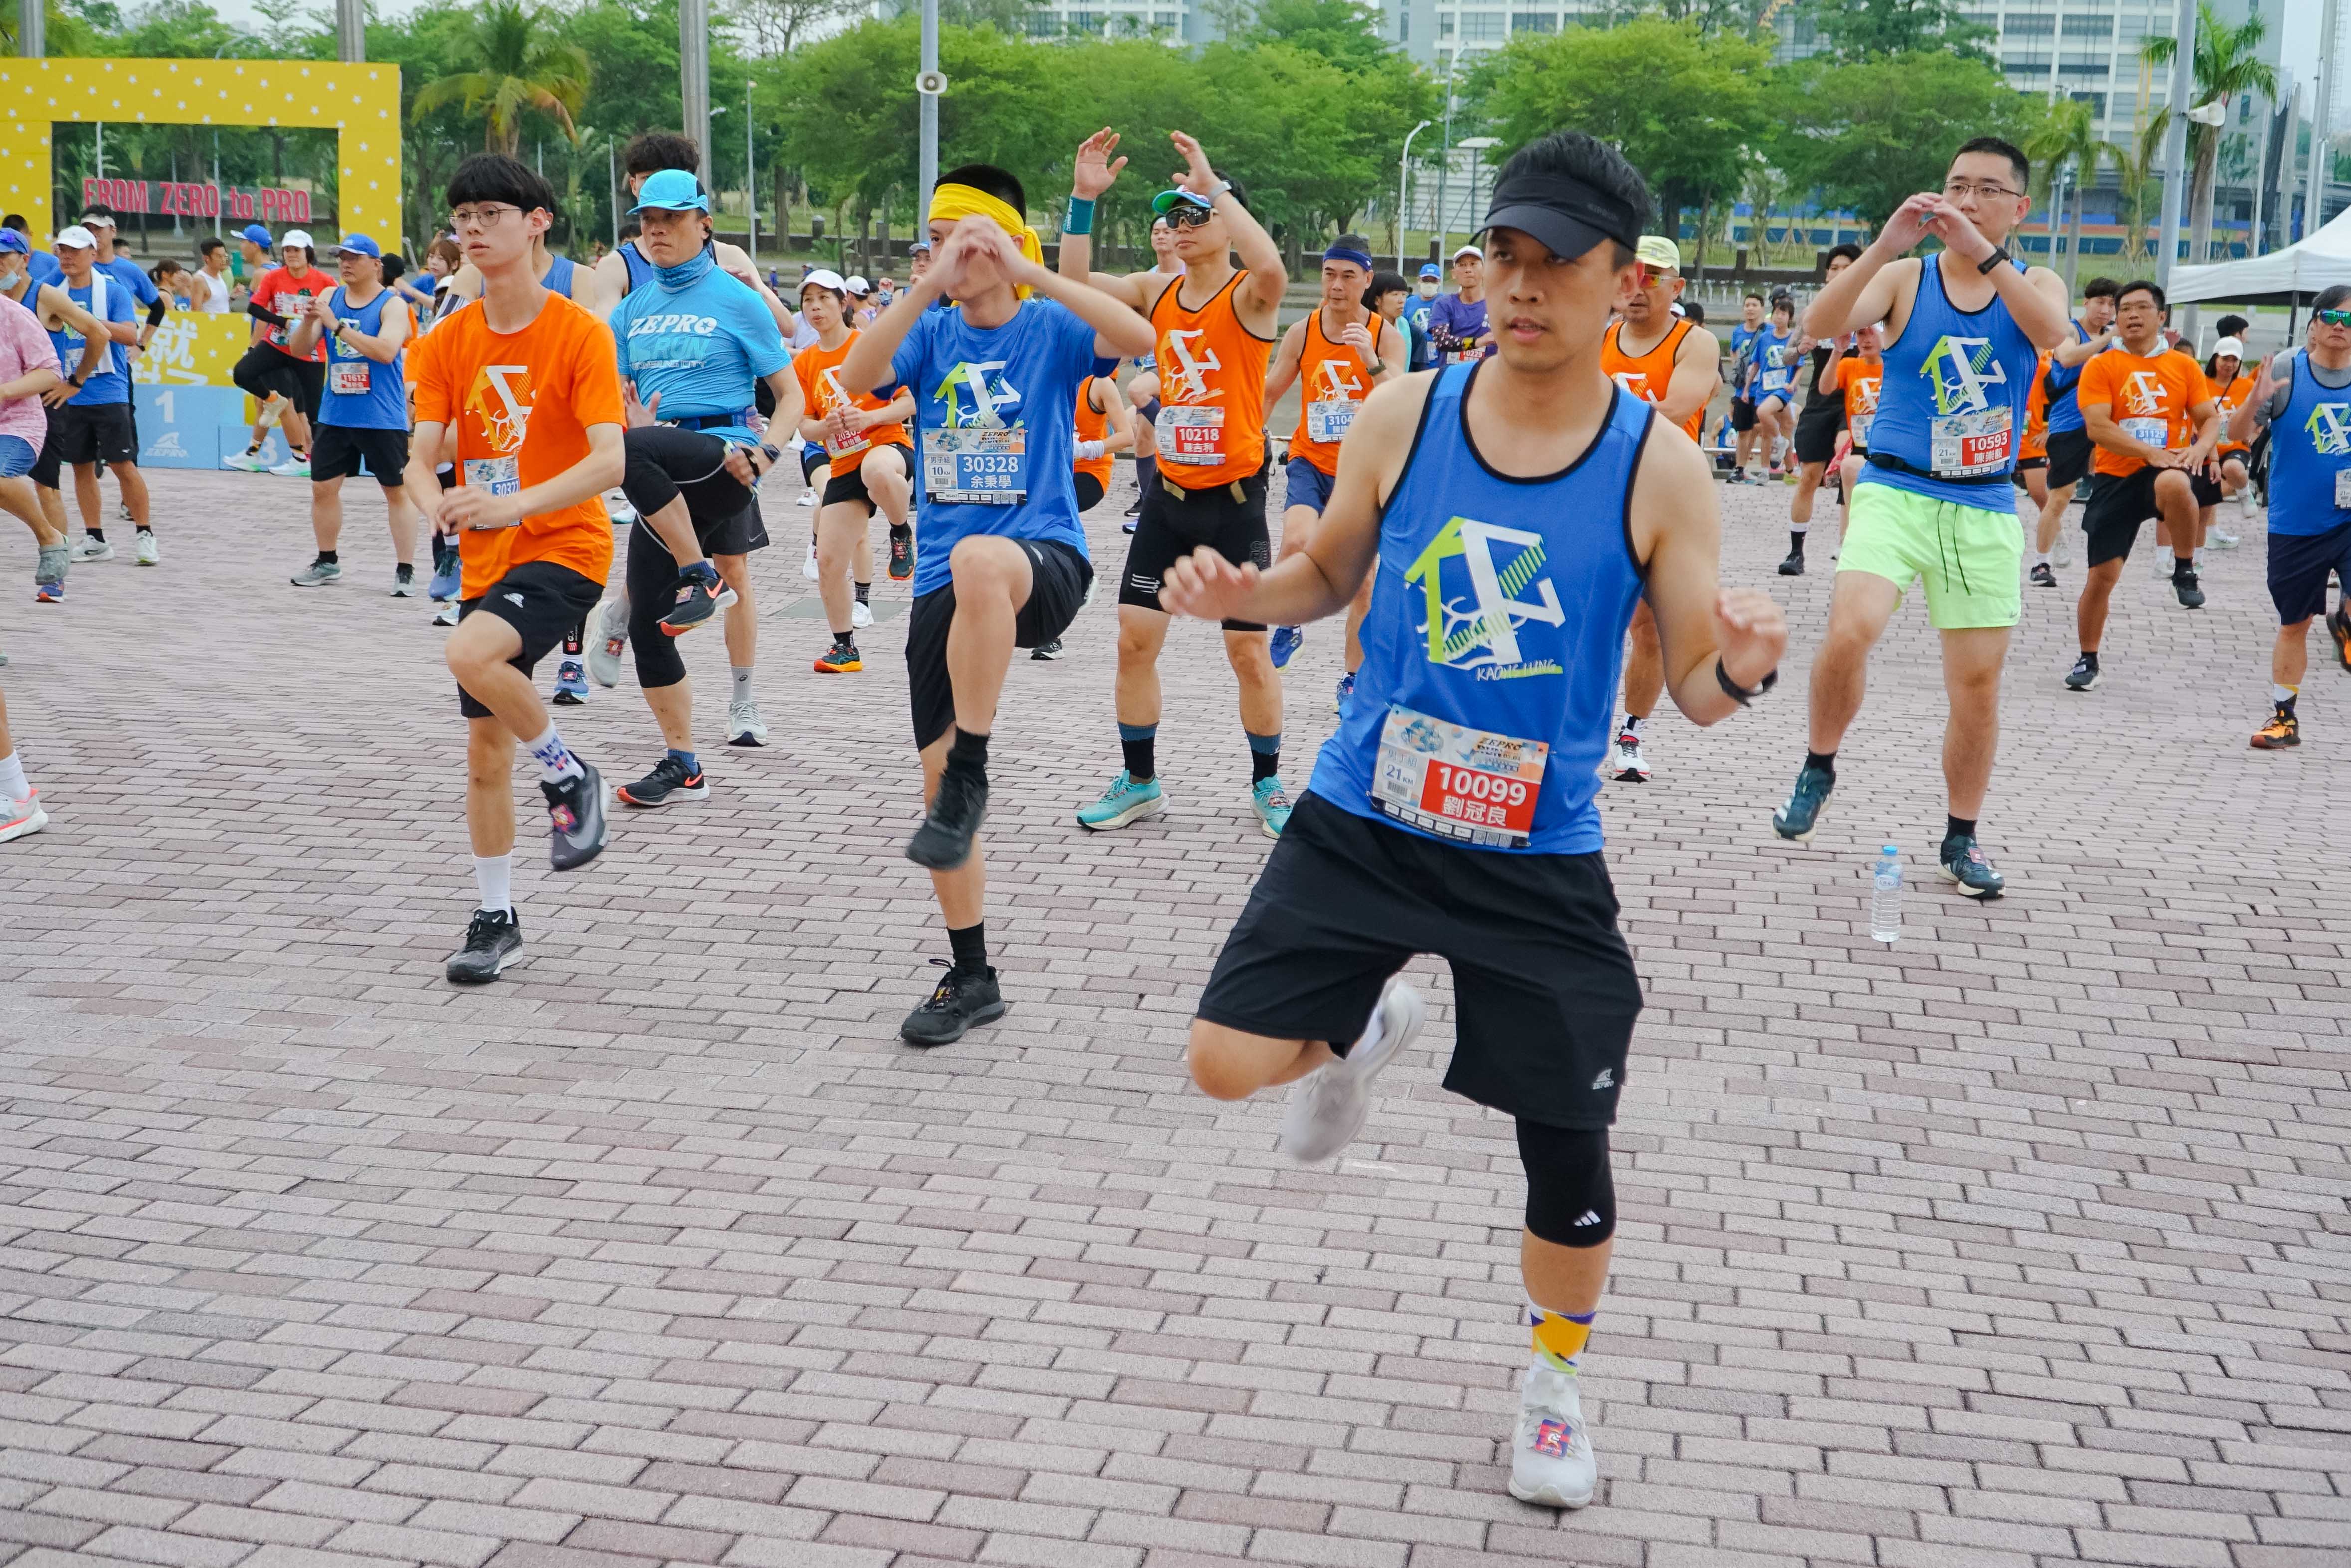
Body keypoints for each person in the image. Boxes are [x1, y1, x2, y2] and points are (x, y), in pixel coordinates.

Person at [1161, 130, 1788, 1516]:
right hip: (1367, 813)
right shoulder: (1404, 413)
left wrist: (1743, 664)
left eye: (1554, 263)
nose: (1520, 286)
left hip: (1536, 852)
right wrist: (1247, 596)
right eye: (1502, 256)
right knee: (1220, 1062)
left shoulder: (1659, 466)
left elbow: (1692, 689)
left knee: (1566, 1149)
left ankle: (1553, 1381)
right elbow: (1328, 575)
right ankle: (1356, 1030)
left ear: (1624, 280)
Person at [837, 163, 1154, 1045]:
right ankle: (971, 974)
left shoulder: (1048, 325)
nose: (943, 255)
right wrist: (927, 285)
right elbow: (859, 371)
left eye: (960, 241)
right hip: (944, 585)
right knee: (935, 789)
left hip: (1041, 561)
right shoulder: (932, 331)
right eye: (933, 242)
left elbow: (1135, 332)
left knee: (980, 558)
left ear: (1006, 245)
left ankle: (974, 763)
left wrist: (1029, 270)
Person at [1769, 136, 2073, 899]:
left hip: (1982, 502)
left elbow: (2051, 336)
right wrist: (1883, 247)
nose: (1966, 200)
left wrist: (1983, 254)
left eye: (1986, 189)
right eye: (1955, 185)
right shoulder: (1905, 277)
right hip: (1895, 489)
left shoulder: (2033, 281)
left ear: (2017, 207)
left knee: (1975, 683)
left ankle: (1960, 836)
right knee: (1850, 628)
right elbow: (1820, 322)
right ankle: (1817, 764)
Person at [401, 154, 627, 985]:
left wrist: (514, 503)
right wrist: (434, 500)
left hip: (565, 547)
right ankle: (496, 917)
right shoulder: (445, 340)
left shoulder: (580, 332)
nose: (471, 229)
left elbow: (609, 461)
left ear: (537, 223)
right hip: (485, 561)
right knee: (483, 752)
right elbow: (418, 456)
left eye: (489, 213)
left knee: (467, 651)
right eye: (461, 216)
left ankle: (569, 774)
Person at [1060, 128, 1294, 840]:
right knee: (1134, 643)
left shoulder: (1250, 296)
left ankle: (1268, 782)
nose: (1182, 226)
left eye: (1197, 215)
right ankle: (1140, 782)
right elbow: (1074, 284)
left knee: (1246, 651)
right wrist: (1082, 199)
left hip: (1235, 504)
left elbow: (1271, 265)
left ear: (1227, 221)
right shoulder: (1155, 291)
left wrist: (1211, 182)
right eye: (1175, 216)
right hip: (1169, 500)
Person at [604, 167, 803, 791]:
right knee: (649, 628)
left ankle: (706, 587)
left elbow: (791, 395)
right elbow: (614, 404)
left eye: (671, 218)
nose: (657, 230)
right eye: (647, 220)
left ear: (704, 224)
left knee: (730, 570)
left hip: (724, 457)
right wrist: (630, 424)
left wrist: (768, 454)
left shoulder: (736, 299)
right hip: (654, 467)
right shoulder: (630, 311)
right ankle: (682, 760)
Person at [2062, 279, 2222, 694]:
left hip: (2165, 470)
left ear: (2161, 316)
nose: (2132, 315)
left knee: (2176, 483)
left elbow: (2209, 417)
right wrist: (2148, 452)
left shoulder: (2183, 366)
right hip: (2116, 478)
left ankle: (2184, 569)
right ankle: (2087, 658)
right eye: (2125, 309)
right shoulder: (2101, 365)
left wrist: (2200, 449)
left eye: (2142, 307)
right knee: (2101, 577)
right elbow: (2098, 426)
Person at [1599, 235, 1719, 784]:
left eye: (1652, 277)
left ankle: (1630, 734)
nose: (1639, 288)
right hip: (1601, 493)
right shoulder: (1600, 336)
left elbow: (1674, 409)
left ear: (1677, 286)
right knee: (1583, 616)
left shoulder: (1694, 342)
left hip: (1665, 497)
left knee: (1647, 627)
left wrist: (1594, 418)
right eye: (1631, 276)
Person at [1261, 234, 1407, 672]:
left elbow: (1398, 398)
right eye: (1329, 275)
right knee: (1296, 541)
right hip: (1309, 459)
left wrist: (1369, 359)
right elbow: (1270, 390)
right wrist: (1249, 434)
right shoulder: (1303, 332)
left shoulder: (1385, 335)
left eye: (1348, 276)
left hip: (1362, 471)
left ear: (1367, 280)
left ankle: (1352, 678)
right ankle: (1289, 622)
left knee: (1362, 582)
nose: (1337, 285)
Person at [2230, 286, 2350, 749]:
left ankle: (2344, 623)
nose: (2339, 326)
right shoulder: (2285, 369)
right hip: (2297, 521)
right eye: (2330, 317)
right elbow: (2238, 433)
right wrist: (2252, 401)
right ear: (2313, 324)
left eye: (2349, 320)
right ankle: (2283, 718)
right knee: (2294, 622)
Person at [792, 267, 915, 675]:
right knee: (828, 560)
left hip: (886, 446)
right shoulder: (806, 362)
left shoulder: (867, 344)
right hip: (843, 462)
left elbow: (908, 402)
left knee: (877, 472)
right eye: (808, 301)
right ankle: (845, 646)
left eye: (824, 299)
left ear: (844, 303)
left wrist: (869, 418)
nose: (815, 308)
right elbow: (804, 425)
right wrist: (825, 427)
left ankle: (900, 531)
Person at [281, 234, 419, 594]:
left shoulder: (392, 305)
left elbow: (387, 351)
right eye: (341, 257)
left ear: (376, 264)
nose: (346, 263)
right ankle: (327, 560)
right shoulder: (330, 297)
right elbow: (299, 349)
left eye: (355, 258)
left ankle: (405, 569)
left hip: (381, 416)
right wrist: (310, 321)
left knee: (396, 491)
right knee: (322, 489)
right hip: (336, 414)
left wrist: (337, 326)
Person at [0, 229, 106, 599]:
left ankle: (55, 566)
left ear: (25, 259)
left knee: (47, 487)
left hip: (36, 410)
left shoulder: (40, 298)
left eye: (4, 257)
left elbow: (97, 333)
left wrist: (75, 381)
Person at [47, 226, 155, 566]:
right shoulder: (52, 292)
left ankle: (145, 534)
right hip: (68, 392)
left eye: (75, 251)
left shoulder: (113, 290)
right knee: (81, 468)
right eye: (62, 250)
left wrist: (88, 321)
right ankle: (95, 538)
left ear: (93, 254)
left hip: (108, 390)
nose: (67, 256)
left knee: (123, 465)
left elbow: (129, 334)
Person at [2025, 277, 2118, 583]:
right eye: (2100, 302)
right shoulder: (2069, 330)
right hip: (2069, 424)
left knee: (2121, 492)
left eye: (2112, 304)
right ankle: (2041, 563)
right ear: (2086, 303)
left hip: (2105, 423)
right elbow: (2066, 358)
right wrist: (2110, 338)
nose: (2106, 310)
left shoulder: (2114, 338)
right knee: (2059, 497)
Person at [224, 229, 328, 478]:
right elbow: (254, 308)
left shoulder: (325, 282)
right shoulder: (274, 277)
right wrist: (284, 322)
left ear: (309, 253)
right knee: (242, 373)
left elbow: (335, 311)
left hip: (310, 351)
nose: (291, 255)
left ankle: (320, 463)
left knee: (314, 410)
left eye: (297, 250)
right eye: (287, 250)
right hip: (277, 344)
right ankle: (272, 404)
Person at [1785, 244, 1863, 572]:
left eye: (1848, 268)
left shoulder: (1870, 309)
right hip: (1819, 401)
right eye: (1834, 268)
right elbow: (1787, 356)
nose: (1840, 273)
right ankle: (1796, 552)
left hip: (1856, 401)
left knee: (1848, 463)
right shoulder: (1814, 313)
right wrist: (1801, 349)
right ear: (1826, 274)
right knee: (1809, 477)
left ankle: (1850, 545)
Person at [0, 264, 63, 621]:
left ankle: (49, 536)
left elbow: (50, 371)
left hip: (18, 424)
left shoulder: (14, 315)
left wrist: (5, 391)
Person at [2204, 334, 2254, 546]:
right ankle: (2211, 534)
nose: (2230, 364)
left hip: (2235, 445)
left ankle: (2244, 493)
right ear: (2215, 358)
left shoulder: (2247, 386)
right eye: (2225, 359)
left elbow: (2260, 413)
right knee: (2208, 490)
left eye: (2235, 360)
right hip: (2207, 445)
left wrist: (2254, 433)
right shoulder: (2201, 383)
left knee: (2233, 468)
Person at [1748, 295, 1800, 481]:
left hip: (1782, 389)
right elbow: (1756, 364)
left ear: (1790, 318)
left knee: (1766, 416)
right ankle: (1785, 470)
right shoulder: (1764, 338)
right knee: (1780, 429)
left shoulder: (1794, 339)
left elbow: (1800, 365)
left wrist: (1792, 384)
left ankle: (1782, 459)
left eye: (1783, 314)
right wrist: (1747, 387)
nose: (1779, 317)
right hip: (1765, 388)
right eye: (1776, 313)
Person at [1425, 245, 1492, 365]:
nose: (1468, 270)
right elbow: (1442, 341)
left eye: (1473, 264)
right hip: (1452, 373)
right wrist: (1477, 342)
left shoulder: (1496, 304)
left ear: (1485, 270)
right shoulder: (1444, 304)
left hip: (1487, 372)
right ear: (1454, 274)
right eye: (1462, 265)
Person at [1724, 292, 1766, 479]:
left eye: (1754, 305)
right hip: (1743, 389)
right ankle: (1740, 468)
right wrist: (1738, 370)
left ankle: (1768, 465)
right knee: (1743, 429)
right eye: (1747, 305)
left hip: (1763, 387)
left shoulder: (1768, 330)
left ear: (1762, 309)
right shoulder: (1738, 332)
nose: (1750, 309)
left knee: (1760, 426)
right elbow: (1734, 352)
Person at [1403, 261, 1441, 371]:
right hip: (1415, 360)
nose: (1429, 284)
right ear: (1419, 280)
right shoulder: (1409, 302)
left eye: (1433, 281)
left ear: (1439, 282)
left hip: (1438, 362)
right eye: (1426, 280)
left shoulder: (1445, 302)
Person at [192, 237, 233, 314]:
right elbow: (195, 314)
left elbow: (219, 304)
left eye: (224, 256)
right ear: (206, 259)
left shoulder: (219, 275)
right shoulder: (199, 280)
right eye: (219, 257)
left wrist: (233, 296)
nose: (223, 260)